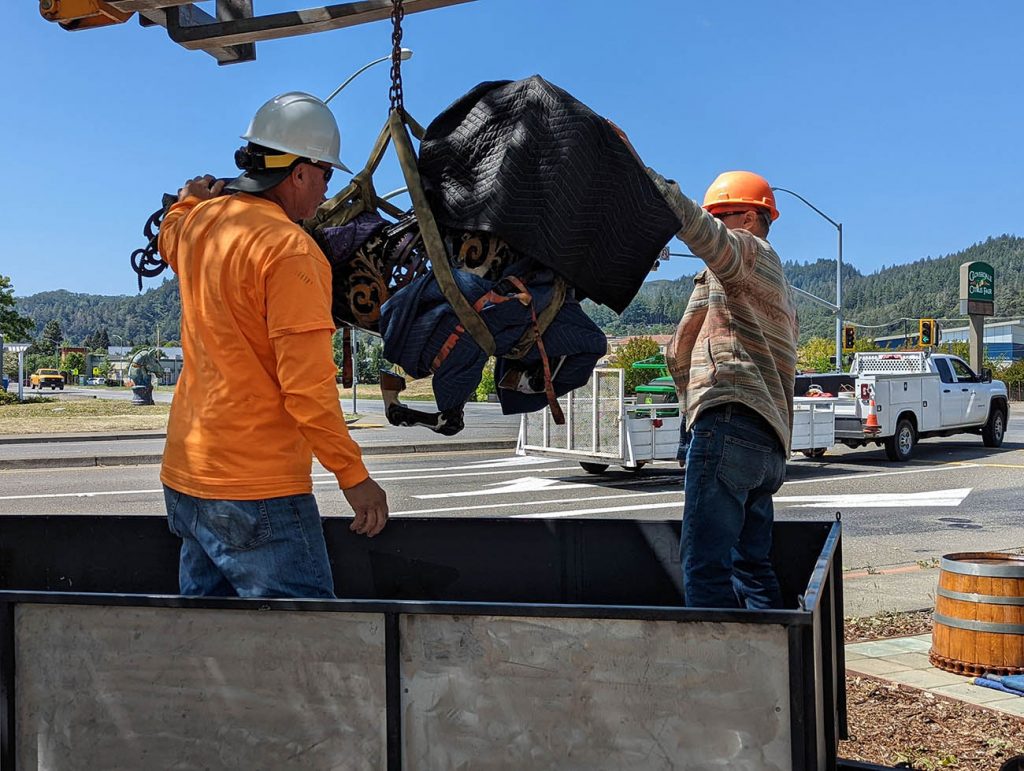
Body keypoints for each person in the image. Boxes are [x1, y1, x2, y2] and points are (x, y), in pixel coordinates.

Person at [158, 92, 388, 599]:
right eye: (326, 174)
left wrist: (189, 197)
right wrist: (354, 478)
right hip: (256, 492)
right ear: (299, 172)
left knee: (211, 651)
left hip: (188, 481)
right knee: (305, 656)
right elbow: (307, 391)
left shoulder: (200, 224)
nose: (328, 191)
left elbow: (168, 234)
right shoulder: (290, 250)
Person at [648, 169, 798, 609]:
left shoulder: (749, 254)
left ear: (750, 218)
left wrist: (650, 180)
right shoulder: (780, 294)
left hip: (730, 422)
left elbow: (702, 234)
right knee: (752, 569)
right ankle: (770, 670)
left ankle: (716, 673)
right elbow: (684, 349)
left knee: (704, 568)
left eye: (722, 215)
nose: (714, 223)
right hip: (765, 441)